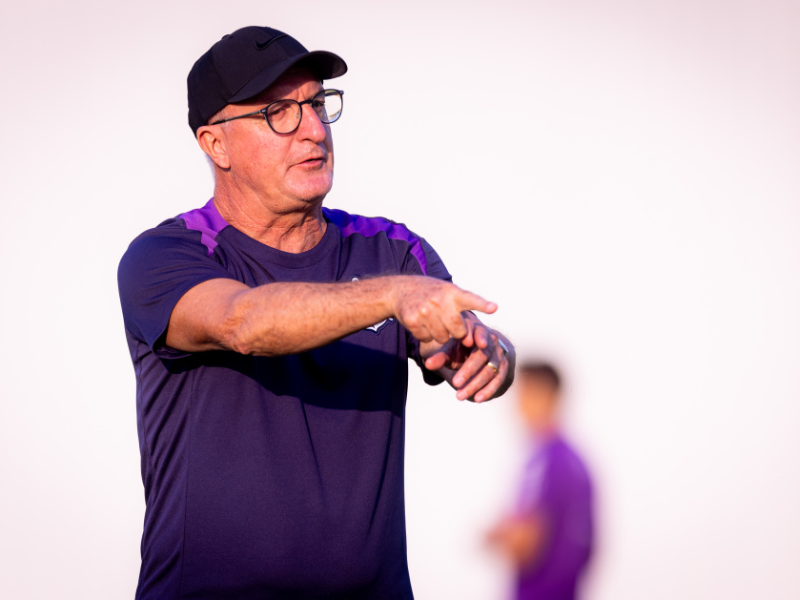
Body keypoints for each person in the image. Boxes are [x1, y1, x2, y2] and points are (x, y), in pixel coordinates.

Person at [117, 26, 515, 600]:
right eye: (278, 111)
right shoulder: (166, 255)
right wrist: (390, 297)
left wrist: (486, 352)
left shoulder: (391, 250)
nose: (312, 129)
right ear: (215, 144)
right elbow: (242, 322)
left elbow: (454, 340)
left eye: (316, 103)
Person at [486, 362, 594, 600]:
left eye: (523, 393)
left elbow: (526, 543)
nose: (517, 405)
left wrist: (496, 534)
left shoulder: (548, 462)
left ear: (544, 395)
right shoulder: (573, 460)